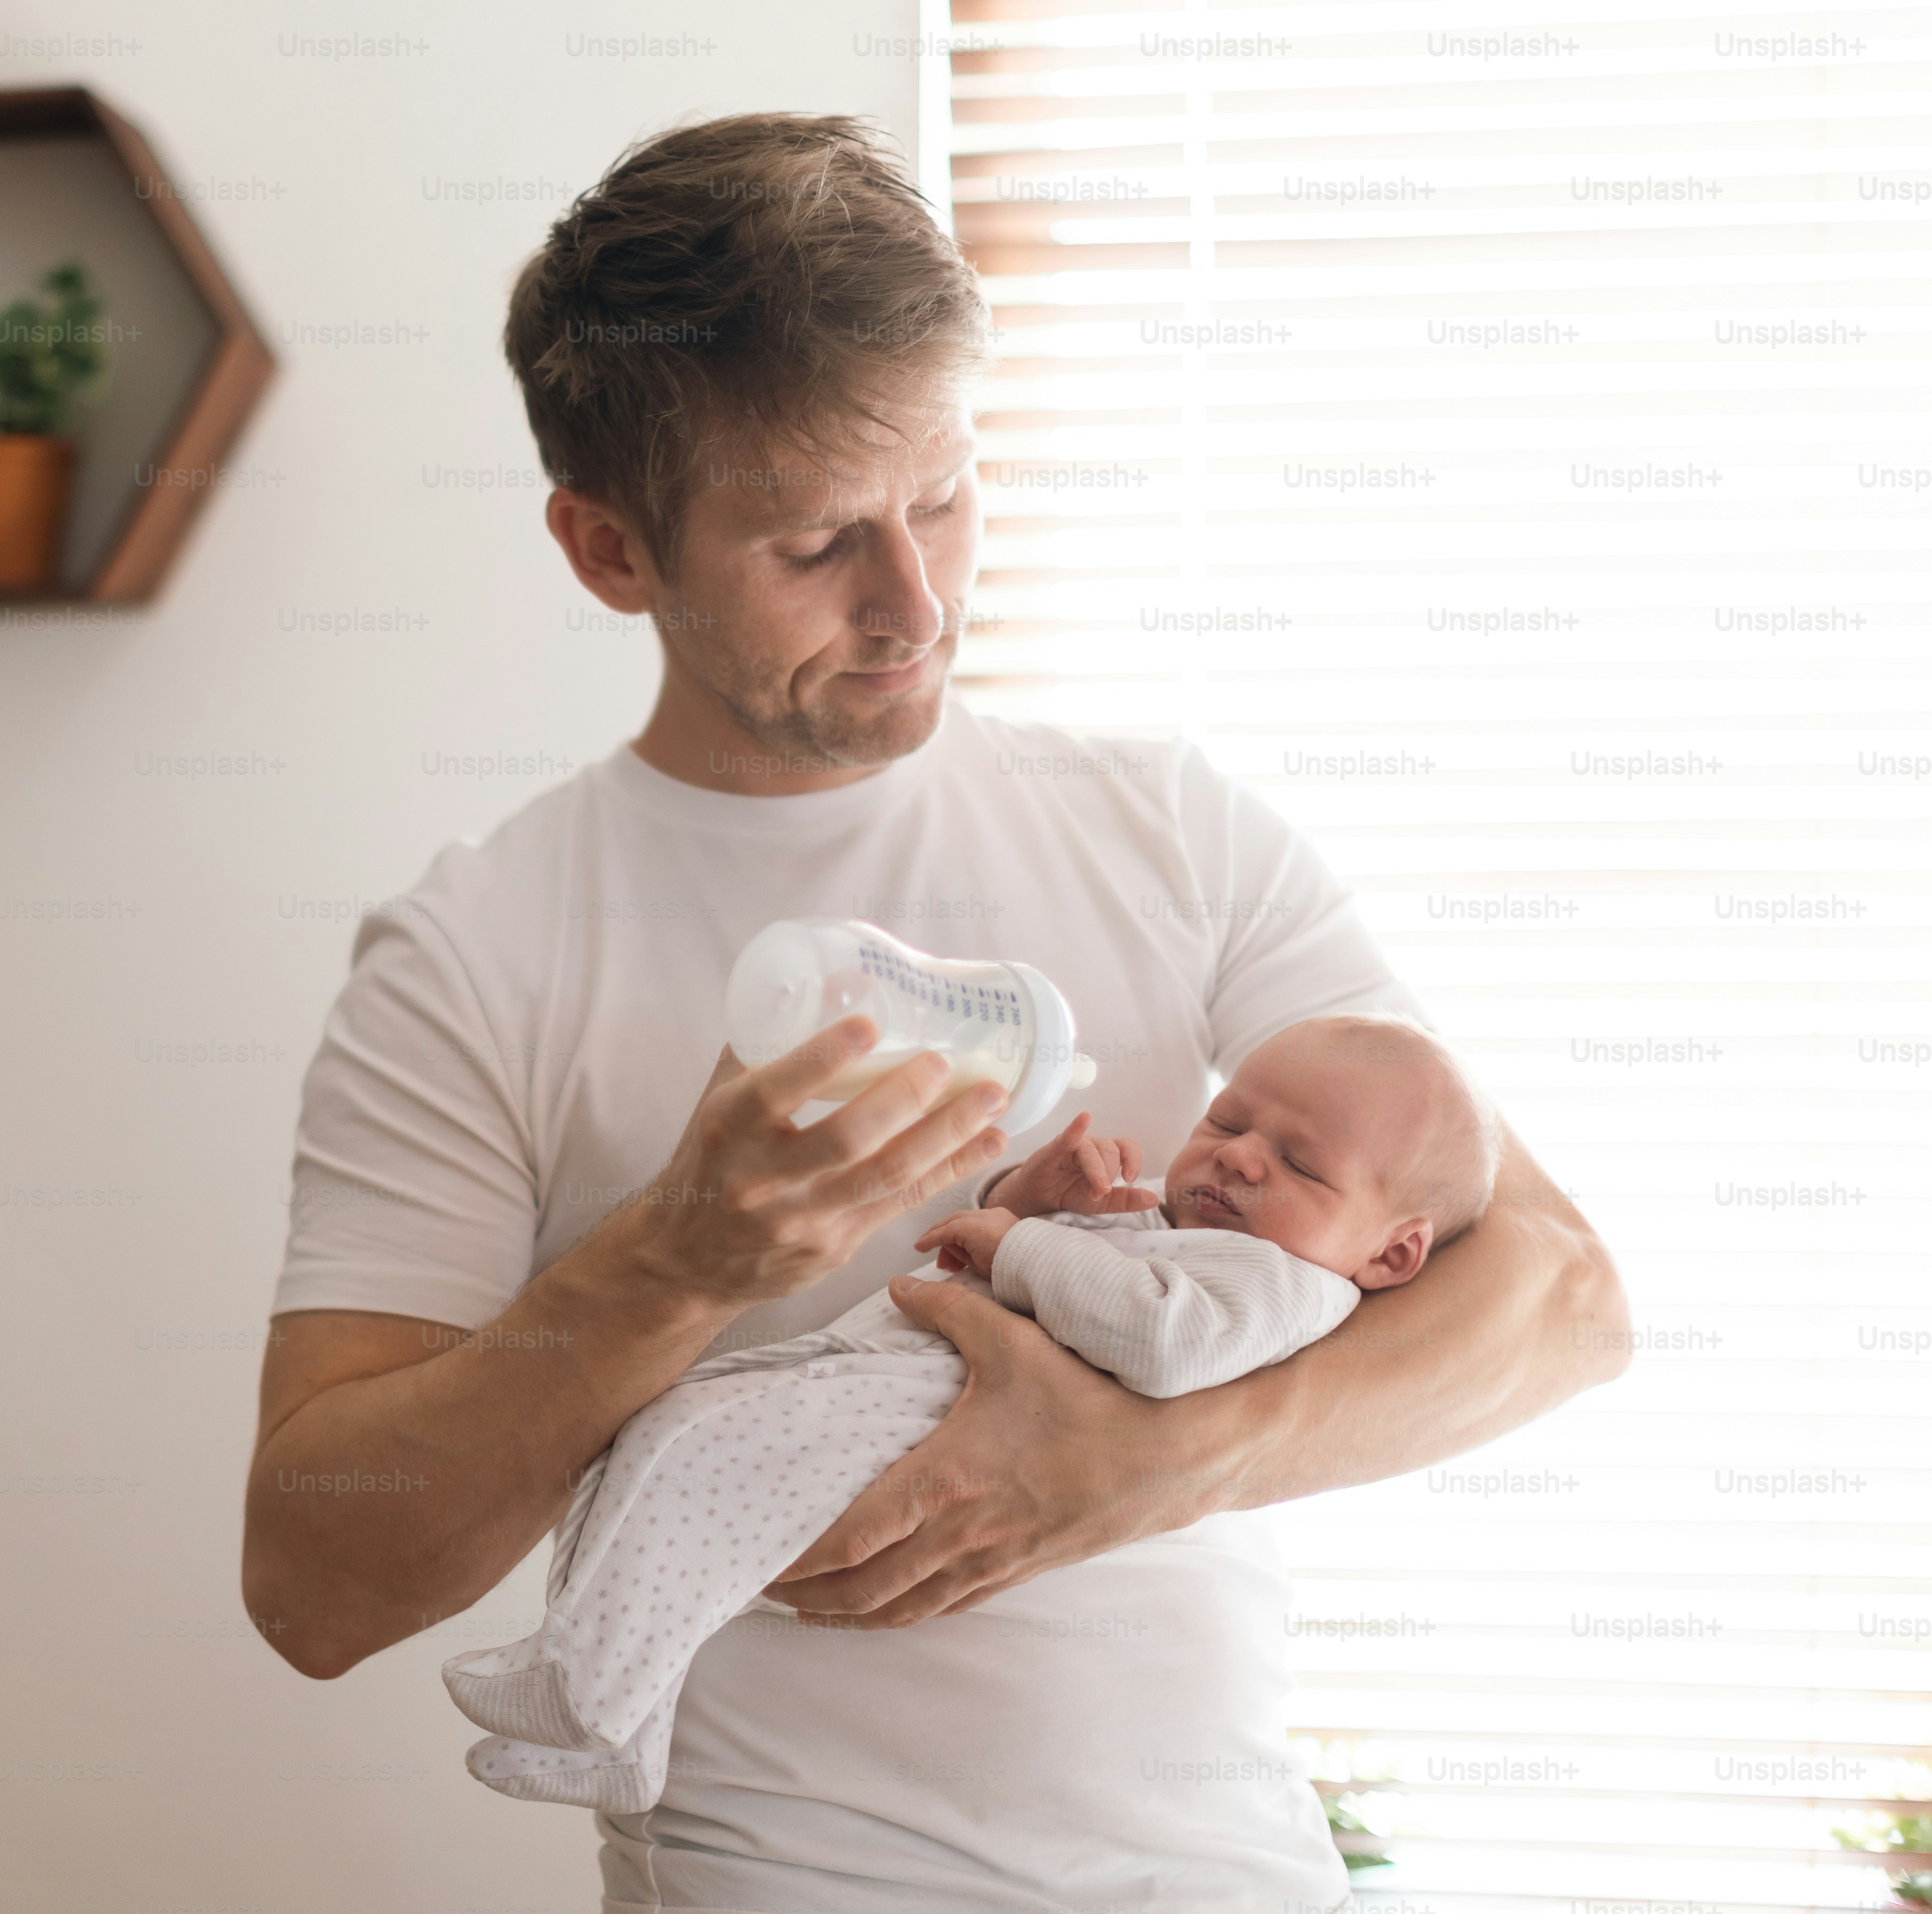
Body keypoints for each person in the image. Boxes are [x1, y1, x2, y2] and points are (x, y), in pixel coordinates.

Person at [241, 112, 1628, 1913]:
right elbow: (312, 1581)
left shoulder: (1164, 825)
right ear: (608, 550)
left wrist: (1138, 1462)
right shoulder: (473, 954)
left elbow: (1557, 1300)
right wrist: (671, 1258)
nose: (916, 604)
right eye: (817, 540)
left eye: (948, 496)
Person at [442, 1016, 1505, 1816]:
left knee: (689, 1451)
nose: (1236, 1154)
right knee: (657, 1430)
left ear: (1391, 1251)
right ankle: (617, 1707)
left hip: (927, 1410)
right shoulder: (1171, 1228)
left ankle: (587, 1681)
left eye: (1299, 1161)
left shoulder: (1287, 1284)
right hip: (894, 1371)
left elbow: (1165, 1342)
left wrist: (1018, 1243)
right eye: (1228, 1120)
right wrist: (1029, 1198)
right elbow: (1066, 1277)